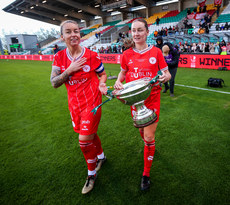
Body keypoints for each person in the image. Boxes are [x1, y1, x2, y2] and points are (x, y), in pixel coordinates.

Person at [50, 20, 108, 195]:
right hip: (74, 105)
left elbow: (102, 74)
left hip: (92, 102)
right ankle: (101, 157)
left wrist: (102, 85)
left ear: (80, 34)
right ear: (62, 37)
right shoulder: (59, 58)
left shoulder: (92, 55)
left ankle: (91, 175)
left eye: (76, 31)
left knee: (84, 141)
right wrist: (69, 70)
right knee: (90, 134)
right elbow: (54, 83)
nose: (73, 34)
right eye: (68, 32)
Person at [113, 18, 171, 191]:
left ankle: (146, 174)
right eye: (134, 30)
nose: (136, 33)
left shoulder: (156, 52)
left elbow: (166, 73)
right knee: (141, 131)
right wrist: (117, 83)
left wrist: (165, 77)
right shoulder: (126, 54)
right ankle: (151, 148)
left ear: (147, 31)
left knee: (148, 137)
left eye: (140, 30)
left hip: (152, 99)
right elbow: (122, 73)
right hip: (135, 101)